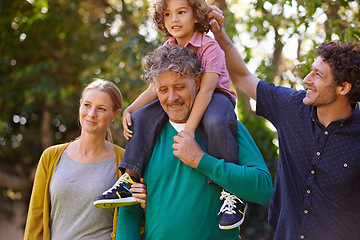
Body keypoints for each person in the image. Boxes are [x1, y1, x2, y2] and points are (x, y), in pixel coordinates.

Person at [207, 6, 360, 240]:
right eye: (311, 71)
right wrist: (219, 33)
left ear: (343, 88)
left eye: (318, 75)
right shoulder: (291, 106)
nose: (307, 80)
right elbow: (242, 76)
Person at [94, 0, 247, 230]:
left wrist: (189, 131)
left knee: (215, 120)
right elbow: (155, 88)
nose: (174, 19)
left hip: (215, 96)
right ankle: (129, 179)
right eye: (167, 14)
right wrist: (131, 109)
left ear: (196, 16)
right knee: (142, 117)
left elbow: (205, 90)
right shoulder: (168, 47)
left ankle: (232, 193)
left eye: (181, 12)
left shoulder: (209, 47)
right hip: (184, 95)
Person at [115, 44, 273, 240]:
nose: (172, 98)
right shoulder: (145, 134)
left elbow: (263, 189)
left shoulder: (224, 126)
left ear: (198, 82)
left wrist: (201, 160)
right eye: (163, 90)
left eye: (180, 87)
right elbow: (129, 213)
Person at [23, 79, 147, 240]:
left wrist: (144, 205)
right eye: (87, 105)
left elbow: (135, 220)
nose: (91, 114)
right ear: (80, 105)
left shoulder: (125, 161)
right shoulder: (51, 156)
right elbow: (36, 218)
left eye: (101, 109)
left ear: (114, 115)